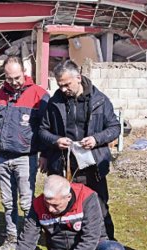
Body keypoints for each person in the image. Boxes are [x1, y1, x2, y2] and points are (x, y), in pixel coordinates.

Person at [38, 60, 120, 240]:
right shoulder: (54, 102)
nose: (63, 89)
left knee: (99, 207)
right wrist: (55, 141)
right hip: (64, 167)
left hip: (93, 166)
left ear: (78, 78)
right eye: (60, 85)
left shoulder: (100, 100)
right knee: (65, 208)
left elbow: (115, 128)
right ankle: (68, 247)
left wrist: (96, 139)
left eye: (67, 84)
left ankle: (107, 246)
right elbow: (43, 131)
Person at [0, 56, 49, 250]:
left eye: (17, 77)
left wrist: (45, 154)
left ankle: (29, 239)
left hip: (25, 157)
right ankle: (11, 237)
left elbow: (47, 128)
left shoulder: (39, 94)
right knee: (7, 201)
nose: (13, 82)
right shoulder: (1, 94)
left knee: (26, 202)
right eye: (9, 78)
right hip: (4, 156)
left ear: (25, 72)